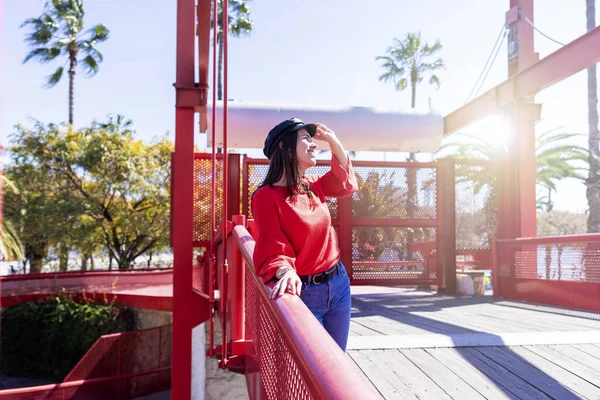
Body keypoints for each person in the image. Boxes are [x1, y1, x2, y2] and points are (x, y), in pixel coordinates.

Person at [251, 117, 358, 351]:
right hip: (307, 294)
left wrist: (333, 141)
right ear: (283, 146)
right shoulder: (265, 197)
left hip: (339, 284)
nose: (313, 145)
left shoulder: (312, 185)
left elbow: (346, 184)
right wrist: (285, 270)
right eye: (305, 139)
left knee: (338, 359)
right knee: (319, 365)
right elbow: (272, 244)